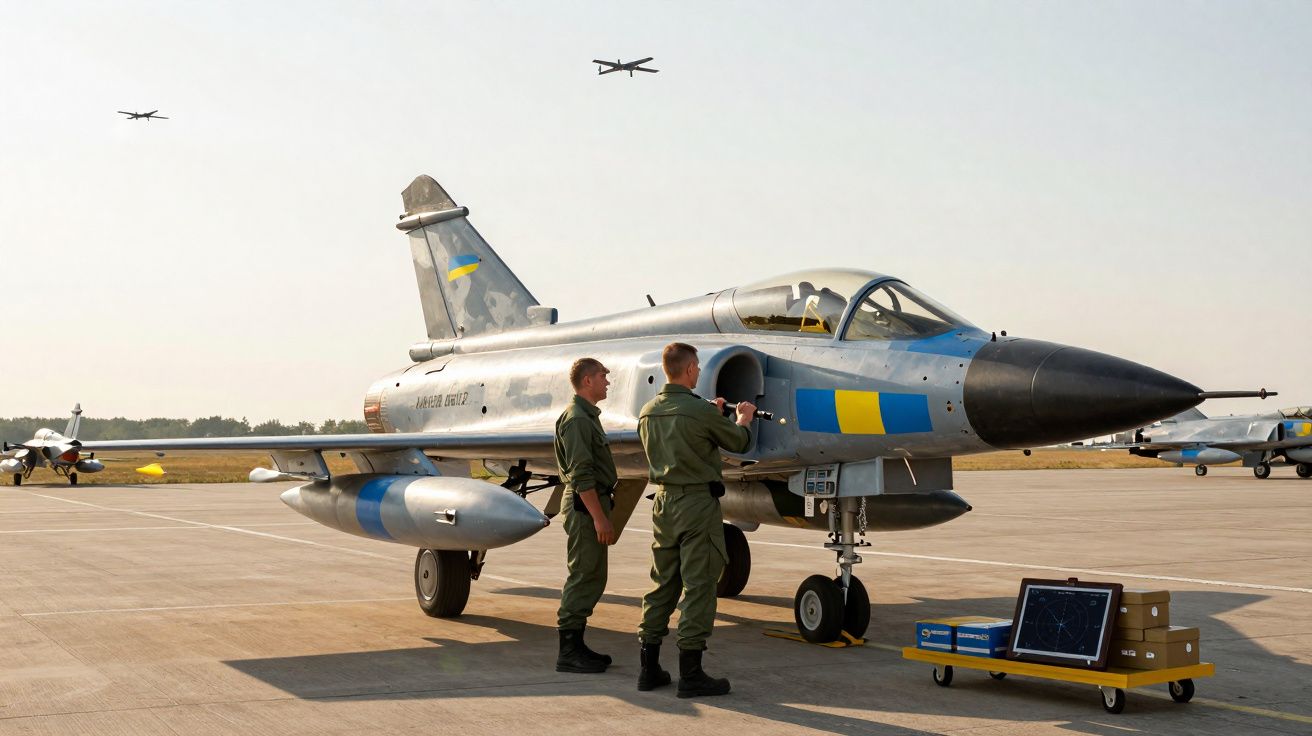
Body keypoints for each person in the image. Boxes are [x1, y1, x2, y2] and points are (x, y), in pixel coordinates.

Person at [635, 342, 756, 698]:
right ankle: (691, 674)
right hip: (697, 505)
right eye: (697, 367)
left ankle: (649, 668)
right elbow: (739, 441)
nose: (699, 372)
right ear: (689, 370)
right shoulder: (699, 411)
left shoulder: (649, 410)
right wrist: (742, 418)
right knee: (700, 584)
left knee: (663, 583)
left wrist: (709, 417)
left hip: (664, 504)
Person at [553, 357, 619, 674]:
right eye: (604, 376)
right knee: (583, 575)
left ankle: (577, 646)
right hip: (585, 505)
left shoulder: (587, 416)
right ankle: (568, 652)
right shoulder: (578, 419)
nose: (608, 381)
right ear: (588, 380)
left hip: (590, 503)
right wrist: (599, 518)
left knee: (594, 575)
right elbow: (582, 475)